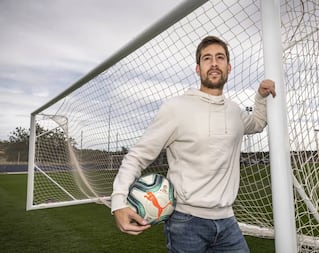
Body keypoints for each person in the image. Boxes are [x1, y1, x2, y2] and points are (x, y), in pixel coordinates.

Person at [111, 35, 276, 253]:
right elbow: (138, 156)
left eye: (220, 57)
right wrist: (119, 203)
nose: (214, 63)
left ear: (229, 67)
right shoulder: (176, 108)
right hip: (186, 223)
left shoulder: (235, 111)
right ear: (198, 69)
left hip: (227, 221)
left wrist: (261, 96)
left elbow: (257, 123)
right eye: (207, 58)